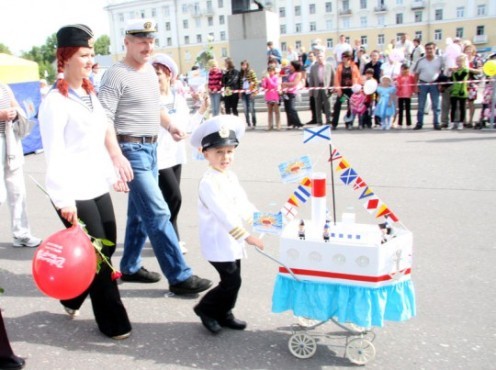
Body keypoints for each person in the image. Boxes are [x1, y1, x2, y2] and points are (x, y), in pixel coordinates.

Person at [98, 18, 212, 294]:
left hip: (151, 149)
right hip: (130, 150)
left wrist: (170, 125)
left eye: (150, 41)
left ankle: (131, 267)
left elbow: (154, 108)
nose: (147, 46)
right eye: (141, 41)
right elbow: (102, 119)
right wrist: (115, 156)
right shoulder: (115, 74)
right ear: (126, 42)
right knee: (159, 211)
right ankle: (180, 276)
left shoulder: (149, 72)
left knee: (139, 214)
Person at [38, 24, 132, 340]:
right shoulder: (55, 101)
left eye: (92, 54)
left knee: (109, 243)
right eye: (84, 54)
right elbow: (56, 155)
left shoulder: (90, 93)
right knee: (99, 258)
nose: (90, 60)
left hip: (95, 184)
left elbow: (99, 135)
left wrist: (113, 168)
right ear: (64, 58)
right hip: (72, 191)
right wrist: (64, 201)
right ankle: (114, 323)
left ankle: (71, 294)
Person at [189, 115, 264, 334]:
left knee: (234, 280)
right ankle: (206, 309)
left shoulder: (229, 176)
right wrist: (247, 236)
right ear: (206, 154)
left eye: (229, 151)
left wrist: (260, 219)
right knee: (231, 280)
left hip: (232, 242)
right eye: (219, 152)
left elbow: (242, 203)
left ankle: (225, 312)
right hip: (219, 241)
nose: (225, 157)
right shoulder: (209, 183)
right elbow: (224, 215)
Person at [152, 54, 209, 255]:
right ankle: (172, 239)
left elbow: (188, 127)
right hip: (157, 157)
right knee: (174, 197)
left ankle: (161, 233)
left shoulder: (178, 99)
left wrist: (202, 110)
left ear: (169, 75)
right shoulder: (149, 99)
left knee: (168, 200)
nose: (155, 77)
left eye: (158, 73)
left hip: (176, 156)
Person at [0, 81, 42, 249]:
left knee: (17, 190)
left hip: (10, 139)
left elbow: (16, 105)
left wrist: (15, 113)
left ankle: (21, 234)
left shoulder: (3, 85)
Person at [412, 42, 443, 130]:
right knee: (421, 105)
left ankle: (436, 123)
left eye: (431, 49)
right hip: (423, 83)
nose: (429, 50)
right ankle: (419, 123)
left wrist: (441, 84)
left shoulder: (440, 60)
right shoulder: (421, 61)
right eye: (427, 49)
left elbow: (442, 72)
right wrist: (416, 86)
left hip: (435, 84)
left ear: (435, 49)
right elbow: (416, 74)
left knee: (436, 105)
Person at [332, 51, 360, 129]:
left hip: (351, 91)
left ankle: (348, 122)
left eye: (344, 57)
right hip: (343, 92)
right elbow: (336, 78)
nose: (343, 59)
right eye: (342, 57)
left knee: (350, 106)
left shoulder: (354, 66)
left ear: (348, 58)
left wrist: (358, 88)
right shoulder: (340, 67)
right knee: (337, 105)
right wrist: (338, 89)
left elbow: (358, 77)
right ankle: (334, 123)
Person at [308, 51, 334, 125]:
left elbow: (333, 77)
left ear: (324, 57)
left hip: (326, 87)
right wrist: (311, 90)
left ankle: (328, 120)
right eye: (318, 57)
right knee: (317, 105)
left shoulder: (329, 65)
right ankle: (319, 121)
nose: (319, 58)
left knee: (327, 104)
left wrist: (332, 87)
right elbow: (311, 79)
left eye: (321, 56)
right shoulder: (313, 67)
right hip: (317, 88)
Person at [463, 44, 483, 127]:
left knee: (471, 102)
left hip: (472, 83)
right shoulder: (463, 59)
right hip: (463, 83)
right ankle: (464, 120)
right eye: (467, 49)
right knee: (463, 102)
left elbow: (480, 70)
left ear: (473, 51)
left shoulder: (477, 59)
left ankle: (471, 120)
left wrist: (469, 69)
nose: (468, 51)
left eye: (470, 49)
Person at [448, 54, 469, 130]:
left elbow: (459, 78)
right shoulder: (455, 70)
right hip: (454, 91)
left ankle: (461, 123)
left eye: (460, 61)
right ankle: (452, 123)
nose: (458, 62)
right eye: (457, 61)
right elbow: (451, 79)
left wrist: (455, 72)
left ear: (463, 62)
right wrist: (450, 71)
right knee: (453, 107)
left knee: (462, 108)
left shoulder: (465, 70)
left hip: (462, 91)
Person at [281, 60, 304, 129]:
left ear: (294, 66)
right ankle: (290, 123)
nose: (289, 67)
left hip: (292, 92)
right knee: (287, 109)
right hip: (286, 92)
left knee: (292, 108)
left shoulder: (298, 74)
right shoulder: (289, 73)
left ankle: (298, 123)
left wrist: (285, 84)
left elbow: (294, 83)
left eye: (291, 65)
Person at [239, 60, 258, 129]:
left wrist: (253, 91)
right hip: (244, 93)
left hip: (250, 92)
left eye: (245, 65)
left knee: (251, 108)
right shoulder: (241, 73)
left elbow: (255, 81)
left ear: (247, 65)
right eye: (242, 65)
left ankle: (254, 122)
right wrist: (240, 92)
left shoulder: (251, 72)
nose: (243, 66)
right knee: (245, 109)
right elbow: (239, 83)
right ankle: (248, 123)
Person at [261, 65, 281, 130]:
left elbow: (274, 85)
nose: (270, 72)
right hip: (268, 96)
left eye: (271, 71)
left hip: (275, 96)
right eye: (269, 71)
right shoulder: (267, 77)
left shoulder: (276, 77)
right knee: (269, 112)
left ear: (274, 71)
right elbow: (264, 86)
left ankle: (278, 125)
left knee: (277, 111)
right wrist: (264, 80)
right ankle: (270, 125)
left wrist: (269, 79)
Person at [396, 63, 415, 128]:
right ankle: (400, 123)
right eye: (402, 69)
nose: (403, 71)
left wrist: (412, 91)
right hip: (401, 95)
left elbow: (413, 85)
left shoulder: (411, 76)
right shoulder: (399, 77)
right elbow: (398, 85)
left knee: (408, 109)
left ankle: (408, 123)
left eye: (405, 69)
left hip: (408, 95)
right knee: (400, 110)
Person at [303, 51, 317, 124]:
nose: (310, 57)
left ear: (315, 56)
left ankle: (329, 115)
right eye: (309, 56)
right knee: (312, 103)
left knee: (319, 103)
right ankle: (314, 118)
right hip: (310, 85)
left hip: (316, 86)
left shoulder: (316, 64)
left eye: (311, 56)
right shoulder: (309, 65)